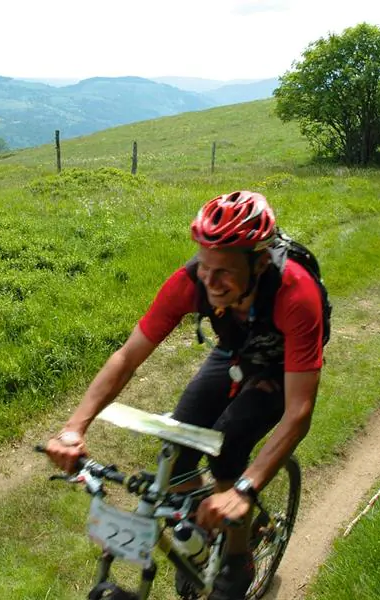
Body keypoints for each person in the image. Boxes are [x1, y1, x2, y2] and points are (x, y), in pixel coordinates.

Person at [44, 190, 324, 599]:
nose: (210, 282)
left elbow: (299, 410)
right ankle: (206, 527)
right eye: (204, 266)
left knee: (228, 448)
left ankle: (237, 555)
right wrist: (73, 428)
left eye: (225, 271)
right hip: (234, 350)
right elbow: (126, 357)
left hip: (281, 366)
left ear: (260, 262)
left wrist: (243, 491)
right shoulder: (191, 281)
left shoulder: (296, 294)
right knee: (175, 451)